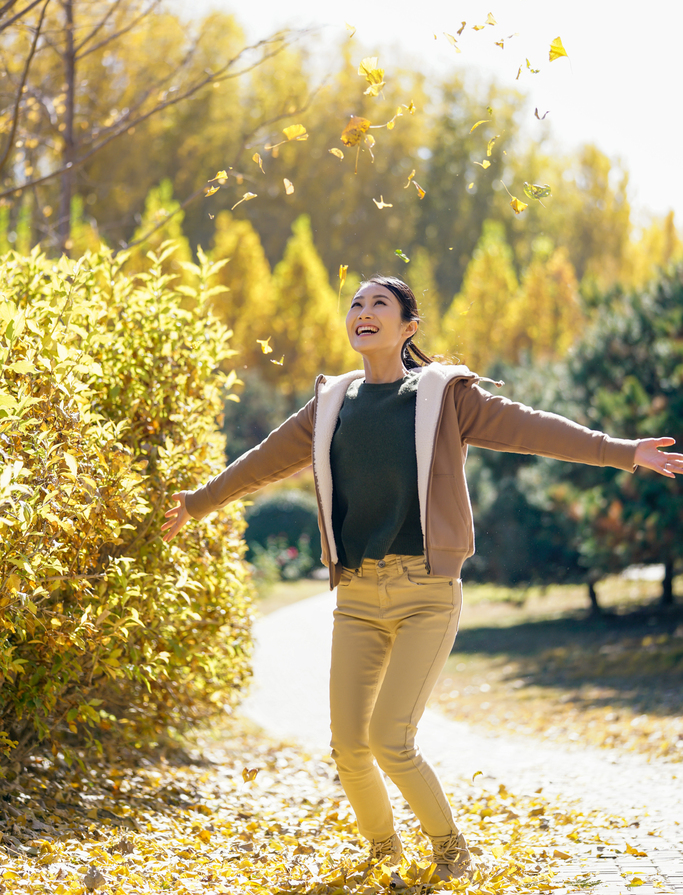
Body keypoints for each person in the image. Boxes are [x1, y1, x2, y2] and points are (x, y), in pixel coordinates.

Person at [162, 275, 682, 881]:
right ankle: (384, 852)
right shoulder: (331, 404)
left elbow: (531, 428)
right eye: (355, 304)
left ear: (408, 327)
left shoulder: (443, 397)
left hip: (426, 594)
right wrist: (200, 502)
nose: (362, 311)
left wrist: (622, 451)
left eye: (378, 303)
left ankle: (450, 850)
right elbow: (264, 461)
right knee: (349, 746)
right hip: (357, 596)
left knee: (390, 737)